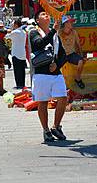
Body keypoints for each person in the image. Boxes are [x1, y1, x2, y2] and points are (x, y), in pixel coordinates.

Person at [29, 11, 67, 143]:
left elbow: (63, 54)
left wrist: (57, 65)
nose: (47, 16)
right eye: (43, 14)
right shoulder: (34, 32)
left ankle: (56, 126)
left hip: (55, 73)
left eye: (47, 14)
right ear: (37, 20)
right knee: (43, 102)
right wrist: (53, 32)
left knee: (63, 97)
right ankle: (46, 130)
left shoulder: (55, 34)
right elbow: (39, 44)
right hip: (41, 73)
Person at [58, 15, 86, 89]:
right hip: (62, 54)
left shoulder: (74, 32)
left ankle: (78, 78)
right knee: (55, 67)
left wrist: (81, 55)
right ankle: (58, 83)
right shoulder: (59, 33)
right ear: (65, 23)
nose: (72, 24)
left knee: (80, 61)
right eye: (70, 22)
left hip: (71, 54)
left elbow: (78, 44)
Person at [6, 18, 28, 89]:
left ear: (15, 25)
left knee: (17, 70)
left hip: (16, 53)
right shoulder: (23, 32)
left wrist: (10, 29)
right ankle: (22, 83)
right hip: (22, 53)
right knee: (22, 70)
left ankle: (19, 84)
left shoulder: (15, 32)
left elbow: (6, 37)